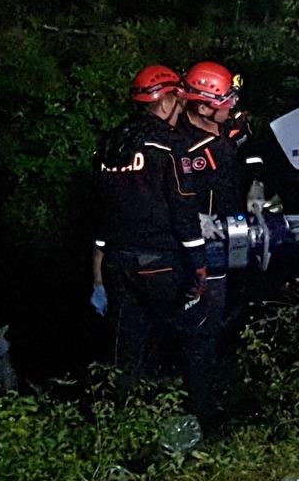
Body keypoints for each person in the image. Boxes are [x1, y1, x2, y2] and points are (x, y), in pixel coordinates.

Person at [91, 65, 219, 425]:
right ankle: (200, 423)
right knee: (193, 338)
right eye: (178, 102)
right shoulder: (171, 146)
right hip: (161, 262)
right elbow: (184, 212)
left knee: (127, 352)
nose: (180, 110)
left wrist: (98, 274)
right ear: (166, 102)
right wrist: (199, 267)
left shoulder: (111, 144)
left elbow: (102, 214)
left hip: (117, 263)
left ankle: (124, 426)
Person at [177, 61, 251, 329]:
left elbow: (254, 158)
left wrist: (259, 187)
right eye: (225, 100)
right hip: (208, 243)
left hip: (242, 228)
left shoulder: (235, 125)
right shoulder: (182, 145)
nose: (232, 104)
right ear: (203, 107)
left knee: (242, 297)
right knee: (208, 315)